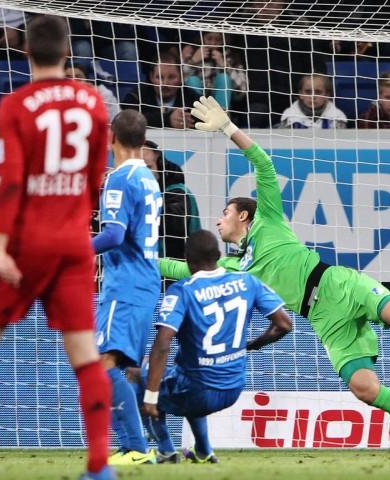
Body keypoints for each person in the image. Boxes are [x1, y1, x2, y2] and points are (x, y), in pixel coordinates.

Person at [160, 95, 390, 457]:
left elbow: (263, 165)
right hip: (324, 319)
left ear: (244, 216)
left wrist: (229, 128)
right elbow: (176, 268)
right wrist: (129, 256)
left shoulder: (268, 221)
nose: (218, 220)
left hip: (337, 282)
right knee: (364, 388)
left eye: (225, 212)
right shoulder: (229, 267)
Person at [0, 15, 114, 480]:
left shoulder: (16, 104)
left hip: (28, 242)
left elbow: (13, 182)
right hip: (74, 242)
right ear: (68, 53)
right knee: (85, 354)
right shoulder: (94, 103)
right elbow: (93, 180)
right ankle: (100, 468)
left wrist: (1, 246)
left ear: (25, 53)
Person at [132, 229, 292, 464]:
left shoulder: (182, 290)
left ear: (188, 261)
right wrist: (249, 346)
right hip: (233, 388)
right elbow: (284, 325)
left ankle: (166, 450)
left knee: (135, 375)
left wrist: (151, 396)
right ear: (218, 254)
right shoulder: (247, 281)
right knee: (179, 375)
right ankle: (204, 451)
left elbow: (163, 344)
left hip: (197, 391)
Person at [91, 109, 163, 466]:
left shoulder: (120, 178)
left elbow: (114, 235)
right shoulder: (149, 177)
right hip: (143, 280)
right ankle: (150, 446)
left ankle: (136, 447)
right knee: (126, 367)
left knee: (103, 363)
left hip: (126, 283)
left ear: (110, 136)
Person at [142, 140, 200, 260]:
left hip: (173, 272)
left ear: (161, 166)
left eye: (148, 167)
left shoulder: (178, 192)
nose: (142, 173)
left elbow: (173, 223)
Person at [122, 54, 198, 129]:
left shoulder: (193, 99)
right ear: (151, 77)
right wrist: (168, 119)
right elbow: (128, 120)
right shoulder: (136, 96)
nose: (164, 84)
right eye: (159, 77)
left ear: (182, 77)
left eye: (171, 77)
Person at [181, 31, 247, 110]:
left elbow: (242, 90)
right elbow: (178, 80)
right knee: (193, 80)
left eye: (218, 40)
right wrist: (193, 61)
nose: (213, 43)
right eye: (209, 39)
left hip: (222, 101)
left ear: (223, 40)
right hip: (197, 100)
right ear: (202, 38)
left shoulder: (232, 56)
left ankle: (221, 118)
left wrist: (225, 66)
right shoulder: (191, 52)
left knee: (223, 78)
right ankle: (196, 117)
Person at [279, 74, 347, 129]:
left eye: (318, 92)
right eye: (308, 92)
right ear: (300, 94)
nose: (313, 97)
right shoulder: (289, 117)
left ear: (327, 95)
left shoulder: (337, 117)